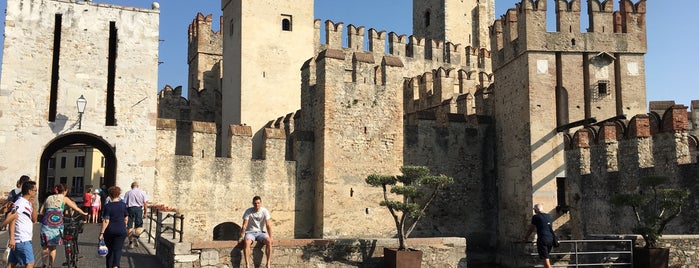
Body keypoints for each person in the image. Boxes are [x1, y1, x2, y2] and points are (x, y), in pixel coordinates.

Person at [38, 184, 88, 268]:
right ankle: (50, 265)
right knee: (53, 247)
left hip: (46, 224)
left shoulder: (48, 198)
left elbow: (41, 211)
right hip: (57, 225)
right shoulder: (64, 199)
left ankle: (44, 264)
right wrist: (84, 213)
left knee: (45, 247)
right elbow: (76, 208)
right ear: (65, 191)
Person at [6, 180, 39, 268]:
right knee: (30, 263)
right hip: (21, 239)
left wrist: (34, 206)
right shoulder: (20, 203)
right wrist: (12, 238)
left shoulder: (28, 203)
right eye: (35, 190)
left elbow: (34, 220)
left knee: (11, 264)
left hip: (23, 239)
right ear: (29, 191)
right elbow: (12, 220)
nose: (36, 193)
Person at [239, 196, 273, 268]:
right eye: (255, 203)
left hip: (260, 232)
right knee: (247, 242)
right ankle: (247, 264)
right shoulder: (248, 211)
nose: (257, 205)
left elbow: (268, 225)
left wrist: (271, 237)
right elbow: (244, 225)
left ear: (261, 203)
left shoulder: (264, 211)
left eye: (258, 203)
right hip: (250, 232)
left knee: (269, 241)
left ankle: (268, 263)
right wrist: (241, 237)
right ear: (253, 203)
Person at [99, 186, 128, 268]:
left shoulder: (108, 206)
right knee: (118, 250)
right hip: (121, 230)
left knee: (110, 251)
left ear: (110, 195)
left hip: (110, 231)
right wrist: (124, 226)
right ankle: (116, 266)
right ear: (118, 194)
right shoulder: (123, 205)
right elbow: (126, 218)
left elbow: (106, 221)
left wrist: (101, 233)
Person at [523, 204, 555, 268]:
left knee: (546, 260)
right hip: (551, 239)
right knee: (546, 257)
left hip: (543, 239)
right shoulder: (549, 216)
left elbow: (531, 229)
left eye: (534, 210)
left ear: (536, 210)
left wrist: (526, 237)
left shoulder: (536, 217)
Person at [123, 181, 148, 249]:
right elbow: (145, 203)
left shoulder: (128, 193)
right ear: (138, 186)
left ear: (131, 186)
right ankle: (136, 237)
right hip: (138, 209)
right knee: (138, 225)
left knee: (129, 226)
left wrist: (124, 213)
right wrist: (145, 212)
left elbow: (124, 204)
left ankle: (131, 242)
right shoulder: (142, 192)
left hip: (130, 209)